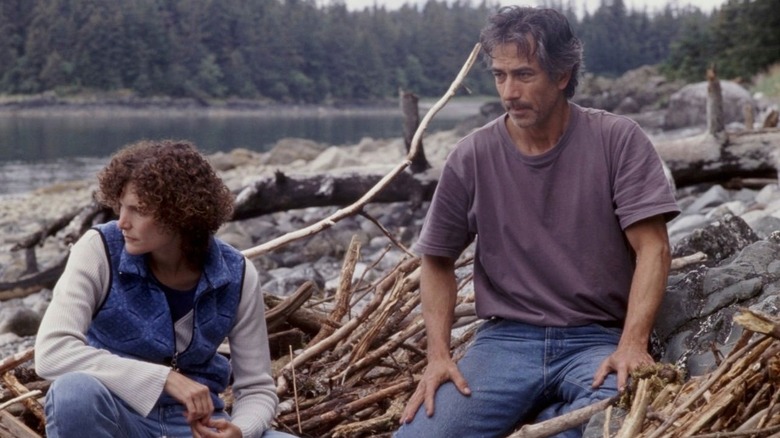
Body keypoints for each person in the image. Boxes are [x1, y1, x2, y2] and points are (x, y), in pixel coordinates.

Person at [396, 6, 680, 438]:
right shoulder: (471, 156)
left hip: (596, 338)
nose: (508, 91)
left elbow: (653, 248)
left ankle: (545, 422)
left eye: (524, 75)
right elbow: (436, 261)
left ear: (562, 75)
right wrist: (438, 356)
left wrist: (632, 344)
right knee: (422, 435)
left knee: (613, 418)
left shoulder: (616, 140)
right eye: (500, 75)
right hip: (505, 342)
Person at [35, 140, 296, 438]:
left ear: (181, 213)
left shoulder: (237, 274)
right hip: (118, 419)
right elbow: (51, 353)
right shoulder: (99, 250)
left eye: (138, 210)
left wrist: (241, 431)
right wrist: (164, 379)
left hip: (196, 428)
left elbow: (257, 389)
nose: (122, 222)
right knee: (73, 392)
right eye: (120, 206)